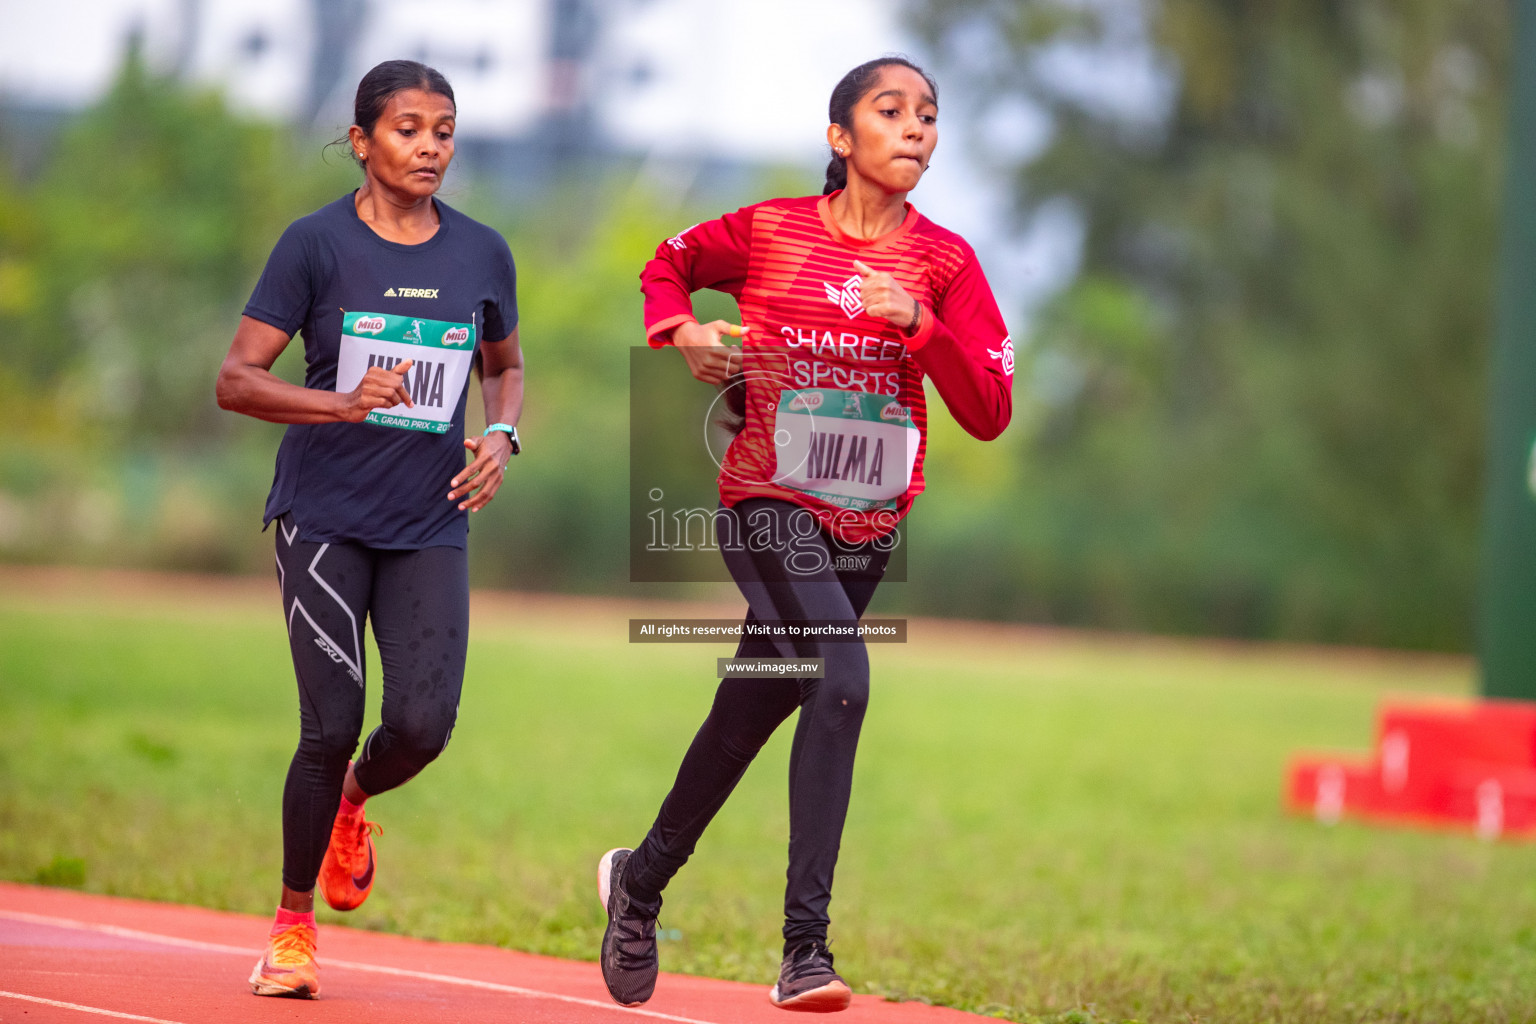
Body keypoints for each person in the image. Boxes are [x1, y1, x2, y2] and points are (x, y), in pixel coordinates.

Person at [598, 56, 1013, 1013]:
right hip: (766, 503)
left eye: (930, 116)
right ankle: (805, 952)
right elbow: (667, 263)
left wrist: (921, 326)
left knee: (753, 710)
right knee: (845, 678)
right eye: (891, 110)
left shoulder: (945, 264)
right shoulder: (772, 229)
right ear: (841, 137)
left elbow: (990, 410)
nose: (916, 129)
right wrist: (681, 330)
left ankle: (640, 881)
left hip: (868, 523)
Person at [215, 59, 524, 1000]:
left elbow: (504, 367)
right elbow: (236, 379)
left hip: (430, 518)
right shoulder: (314, 246)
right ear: (361, 142)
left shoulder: (481, 253)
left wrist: (504, 433)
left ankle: (355, 804)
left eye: (443, 130)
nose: (430, 146)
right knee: (330, 724)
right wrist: (341, 403)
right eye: (407, 129)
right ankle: (292, 928)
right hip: (324, 517)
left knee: (422, 727)